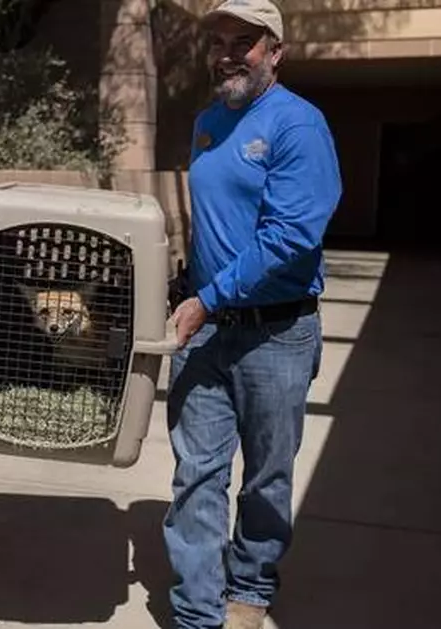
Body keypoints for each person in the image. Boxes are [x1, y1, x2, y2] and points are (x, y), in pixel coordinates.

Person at [164, 1, 342, 627]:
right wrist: (190, 287)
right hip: (207, 331)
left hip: (279, 335)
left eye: (246, 40)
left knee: (266, 476)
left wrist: (208, 298)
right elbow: (210, 224)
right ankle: (196, 611)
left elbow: (292, 236)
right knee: (196, 474)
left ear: (276, 52)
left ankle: (251, 582)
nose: (229, 53)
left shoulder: (299, 126)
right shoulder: (208, 123)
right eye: (220, 41)